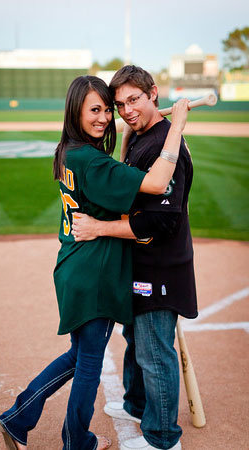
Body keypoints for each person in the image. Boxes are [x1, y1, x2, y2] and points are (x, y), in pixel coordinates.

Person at [0, 75, 190, 450]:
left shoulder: (71, 151)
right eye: (94, 111)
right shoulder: (93, 162)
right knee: (88, 364)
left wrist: (128, 132)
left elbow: (110, 168)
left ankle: (19, 417)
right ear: (76, 114)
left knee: (77, 355)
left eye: (107, 109)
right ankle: (76, 441)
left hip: (74, 265)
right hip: (95, 273)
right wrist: (177, 124)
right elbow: (156, 181)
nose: (103, 118)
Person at [71, 65, 198, 450]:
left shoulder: (166, 146)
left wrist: (99, 228)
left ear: (153, 93)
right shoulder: (144, 137)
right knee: (136, 339)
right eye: (119, 104)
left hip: (161, 267)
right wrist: (137, 128)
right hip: (139, 264)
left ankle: (162, 438)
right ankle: (136, 404)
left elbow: (158, 221)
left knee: (154, 351)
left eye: (134, 100)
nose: (126, 110)